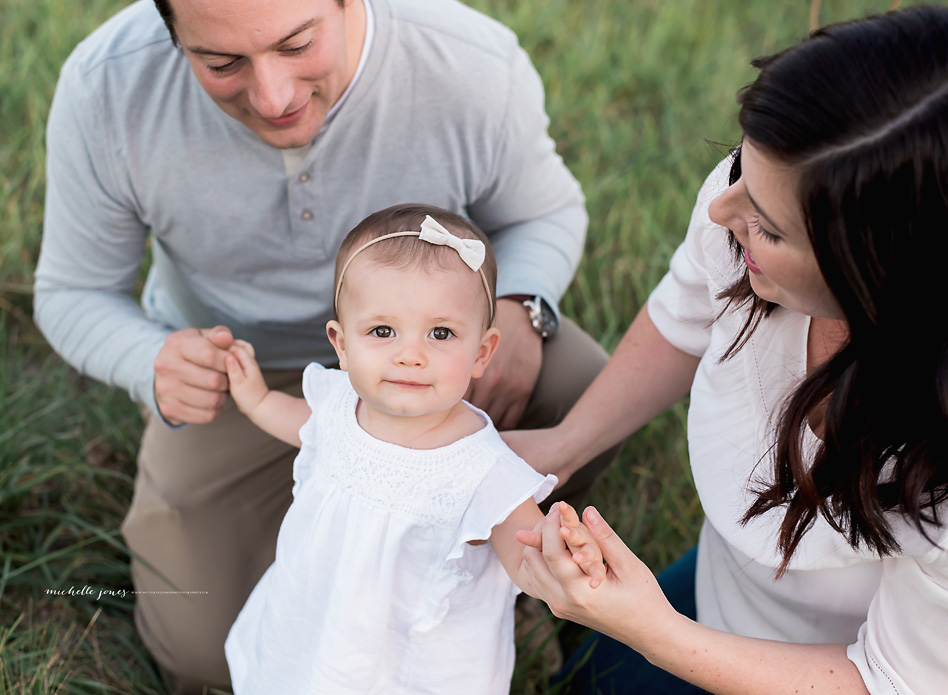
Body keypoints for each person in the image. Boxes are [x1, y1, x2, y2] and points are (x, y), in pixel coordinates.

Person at [34, 0, 617, 690]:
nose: (273, 96)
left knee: (586, 387)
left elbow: (544, 211)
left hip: (440, 361)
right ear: (169, 30)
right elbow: (72, 291)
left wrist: (523, 303)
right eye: (221, 63)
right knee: (199, 646)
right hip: (240, 373)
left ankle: (478, 582)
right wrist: (152, 361)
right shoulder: (107, 86)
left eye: (298, 43)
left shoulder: (469, 60)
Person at [509, 6, 948, 694]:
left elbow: (892, 677)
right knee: (581, 681)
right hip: (727, 587)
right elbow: (685, 316)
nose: (720, 207)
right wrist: (564, 443)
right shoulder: (757, 196)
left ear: (876, 277)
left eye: (768, 227)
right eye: (741, 166)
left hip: (831, 673)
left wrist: (656, 631)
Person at [220, 204, 604, 694]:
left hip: (413, 659)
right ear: (341, 344)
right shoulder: (339, 403)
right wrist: (256, 401)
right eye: (383, 331)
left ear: (482, 353)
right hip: (317, 613)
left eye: (440, 333)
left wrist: (560, 557)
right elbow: (304, 423)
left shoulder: (482, 467)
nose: (410, 354)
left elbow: (524, 550)